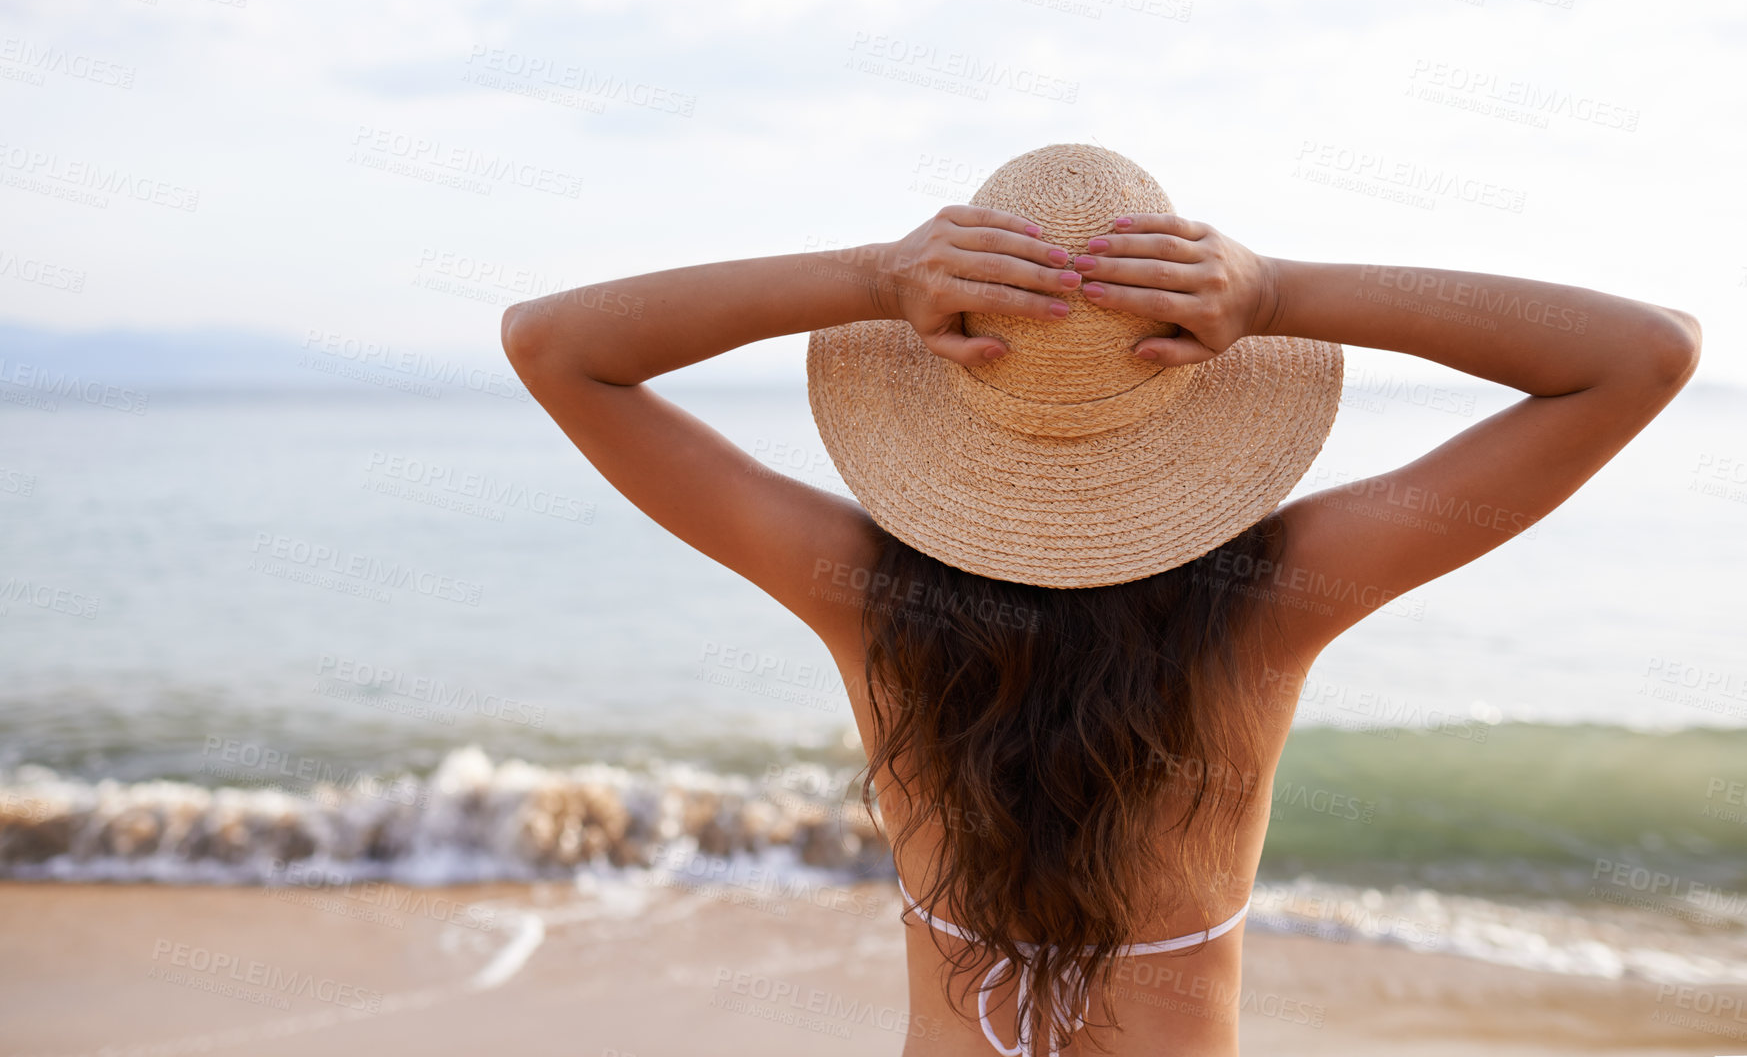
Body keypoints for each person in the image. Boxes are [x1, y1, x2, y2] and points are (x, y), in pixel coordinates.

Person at [500, 144, 1700, 1056]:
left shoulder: (866, 595)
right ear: (1200, 388)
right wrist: (1281, 292)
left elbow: (554, 343)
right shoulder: (1268, 603)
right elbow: (1639, 353)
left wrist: (871, 274)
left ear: (942, 396)